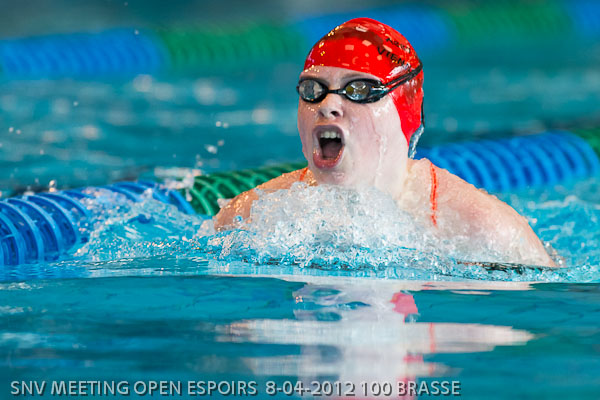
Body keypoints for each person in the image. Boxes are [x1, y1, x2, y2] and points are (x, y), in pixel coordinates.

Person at [214, 17, 556, 267]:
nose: (327, 105)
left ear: (405, 112)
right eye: (312, 89)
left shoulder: (484, 231)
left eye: (358, 90)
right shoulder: (249, 218)